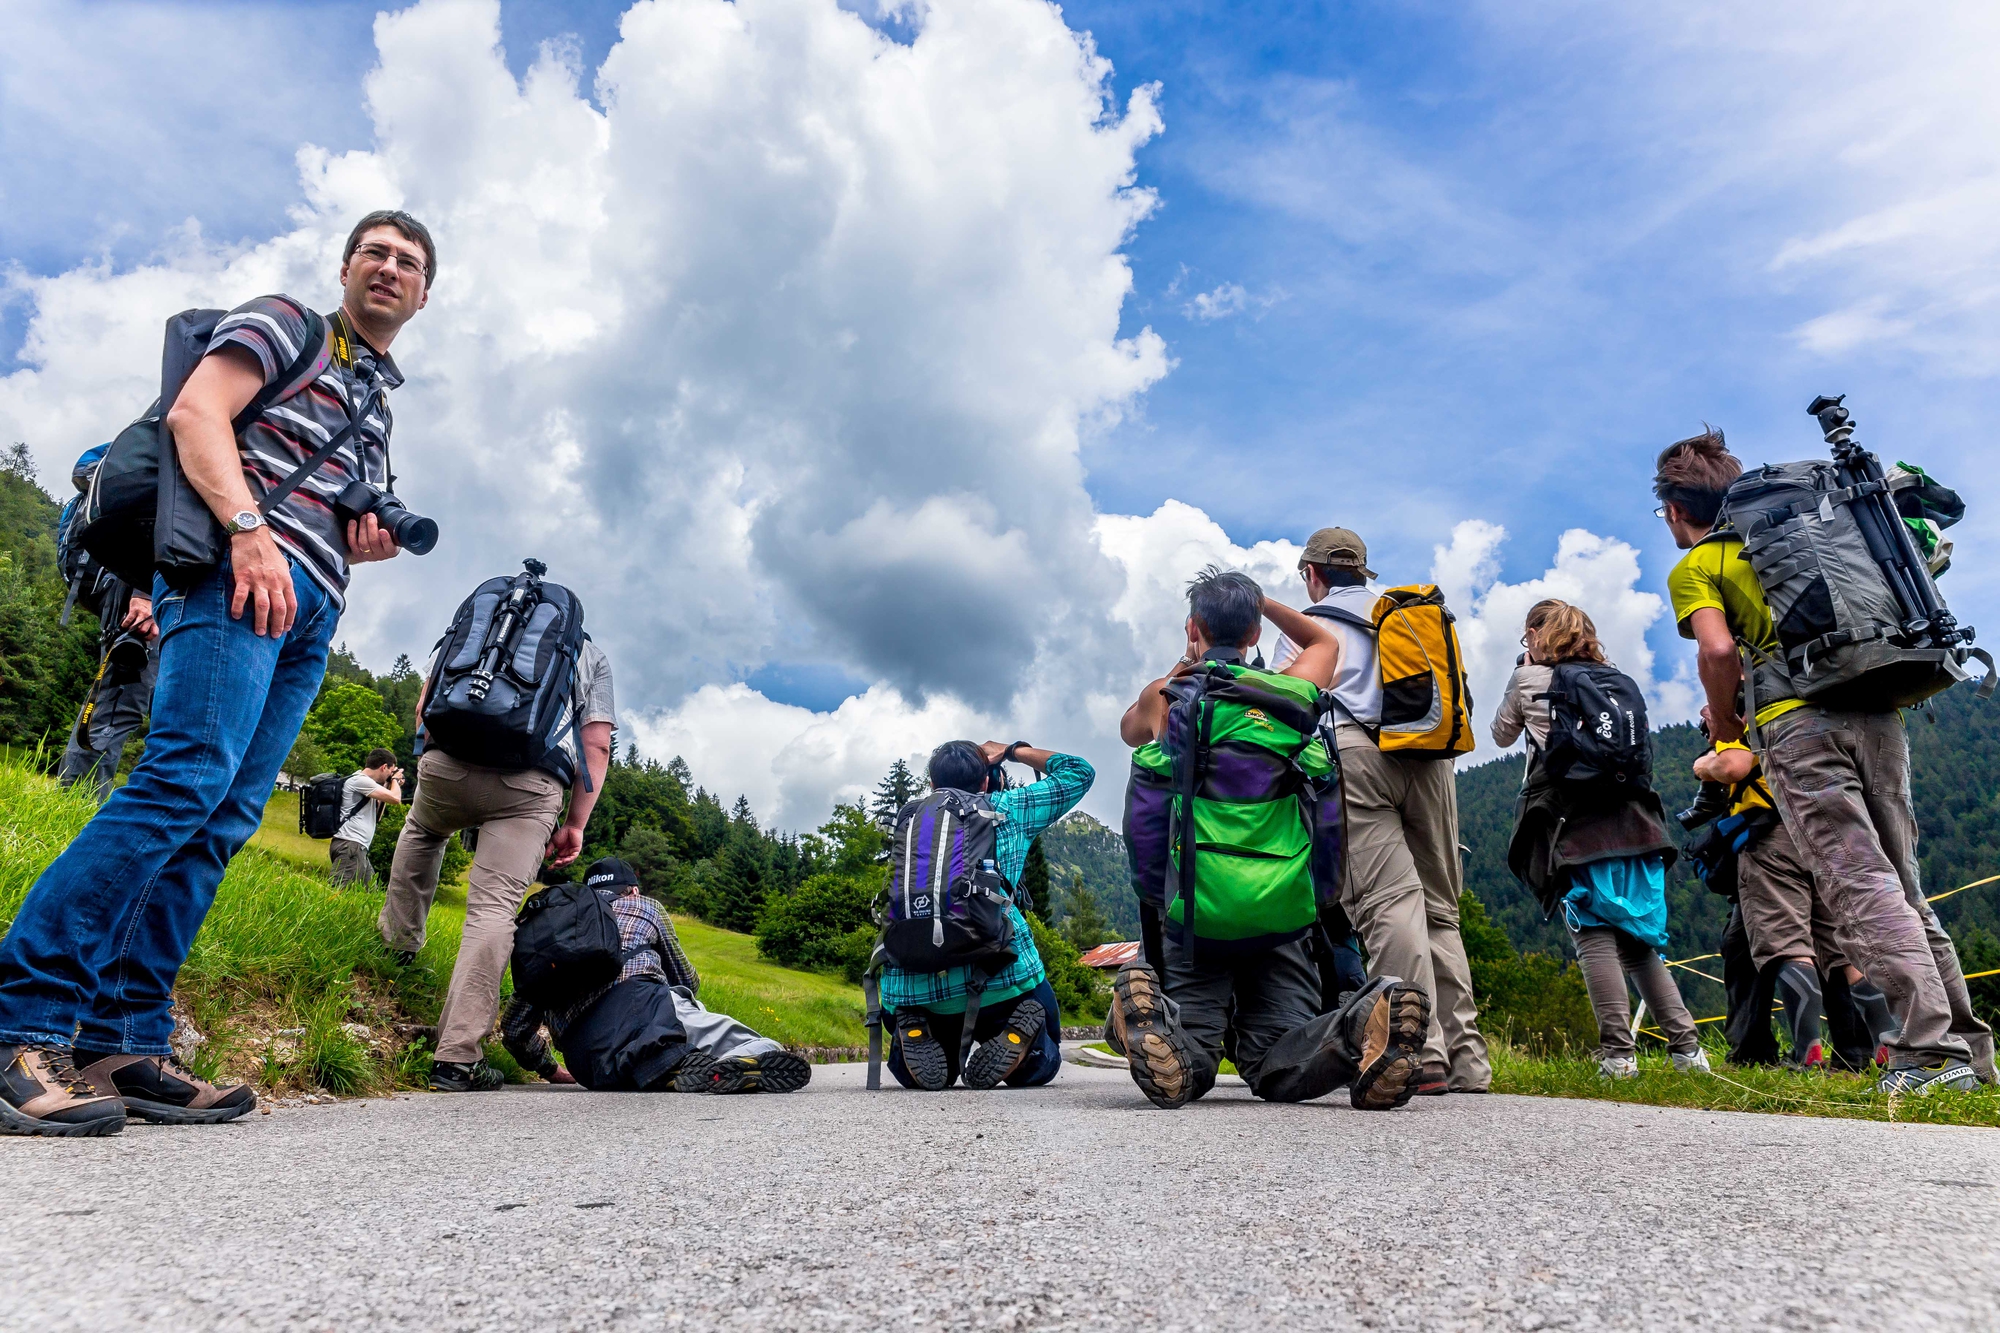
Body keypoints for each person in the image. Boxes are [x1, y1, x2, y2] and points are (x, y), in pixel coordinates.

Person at [0, 209, 432, 1137]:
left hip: (309, 605)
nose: (391, 268)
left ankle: (123, 1039)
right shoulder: (286, 322)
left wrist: (369, 542)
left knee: (228, 812)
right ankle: (19, 1022)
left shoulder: (375, 405)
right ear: (348, 267)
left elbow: (335, 523)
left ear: (425, 293)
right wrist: (247, 532)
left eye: (410, 262)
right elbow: (199, 415)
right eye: (377, 253)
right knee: (179, 781)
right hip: (232, 574)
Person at [1655, 427, 1992, 1094]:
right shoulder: (1798, 537)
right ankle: (1970, 1055)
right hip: (1876, 707)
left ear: (1673, 509)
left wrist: (1726, 727)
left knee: (1856, 884)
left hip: (1797, 729)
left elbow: (1719, 653)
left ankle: (1929, 1053)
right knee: (1904, 883)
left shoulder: (1698, 567)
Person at [1112, 566, 1432, 1111]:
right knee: (1274, 1059)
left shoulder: (1167, 698)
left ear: (1194, 627)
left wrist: (1184, 665)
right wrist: (1261, 603)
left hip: (1193, 909)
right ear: (1256, 632)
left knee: (1191, 1056)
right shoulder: (1295, 693)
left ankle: (1152, 1020)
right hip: (1284, 908)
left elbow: (1128, 730)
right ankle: (1359, 1022)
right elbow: (1323, 639)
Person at [1275, 527, 1489, 1096]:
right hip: (1429, 756)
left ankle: (1417, 1055)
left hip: (1353, 758)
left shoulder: (1308, 624)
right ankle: (1468, 1061)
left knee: (1387, 904)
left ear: (1311, 574)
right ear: (1362, 572)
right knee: (1441, 912)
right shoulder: (1401, 610)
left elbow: (1288, 706)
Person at [378, 624, 616, 1093]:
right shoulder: (590, 655)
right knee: (493, 907)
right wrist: (575, 824)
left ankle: (397, 949)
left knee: (424, 832)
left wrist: (431, 752)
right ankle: (456, 1059)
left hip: (447, 762)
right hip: (529, 784)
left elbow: (426, 703)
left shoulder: (475, 628)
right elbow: (597, 745)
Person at [1494, 600, 1709, 1078]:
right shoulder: (1616, 681)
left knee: (1592, 937)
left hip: (1576, 825)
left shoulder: (1530, 681)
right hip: (1637, 823)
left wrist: (1524, 673)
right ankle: (1689, 1053)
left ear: (1535, 635)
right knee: (1638, 943)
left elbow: (1502, 735)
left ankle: (1618, 1057)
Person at [880, 740, 1093, 1091]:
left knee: (917, 1073)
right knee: (1044, 1056)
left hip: (911, 978)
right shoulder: (1006, 807)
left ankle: (915, 1030)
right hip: (999, 974)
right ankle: (1018, 1041)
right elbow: (1079, 772)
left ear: (932, 784)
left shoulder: (910, 818)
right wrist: (1012, 750)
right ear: (985, 782)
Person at [502, 859, 812, 1093]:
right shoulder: (644, 906)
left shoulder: (556, 934)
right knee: (766, 1046)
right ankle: (715, 1068)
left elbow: (515, 1030)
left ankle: (671, 1067)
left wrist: (551, 1069)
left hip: (586, 1063)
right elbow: (686, 980)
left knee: (653, 1050)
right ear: (633, 889)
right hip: (646, 1022)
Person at [57, 585, 159, 803]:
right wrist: (145, 594)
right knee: (117, 707)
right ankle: (76, 807)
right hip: (147, 604)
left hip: (180, 603)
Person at [329, 749, 403, 887]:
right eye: (390, 771)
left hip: (357, 847)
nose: (389, 775)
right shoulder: (360, 781)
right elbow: (395, 798)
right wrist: (395, 781)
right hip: (350, 844)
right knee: (338, 890)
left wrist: (388, 784)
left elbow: (377, 816)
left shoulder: (366, 784)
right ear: (384, 767)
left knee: (370, 896)